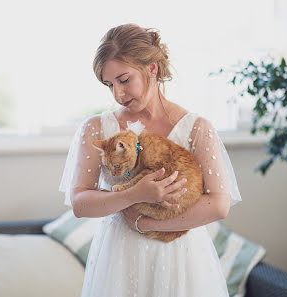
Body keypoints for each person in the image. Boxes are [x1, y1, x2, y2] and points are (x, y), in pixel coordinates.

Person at [59, 23, 242, 297]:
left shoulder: (196, 128)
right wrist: (133, 194)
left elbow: (218, 204)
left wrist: (146, 224)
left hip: (182, 257)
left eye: (123, 80)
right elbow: (80, 204)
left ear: (152, 68)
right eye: (109, 85)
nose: (117, 95)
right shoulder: (97, 129)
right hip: (119, 259)